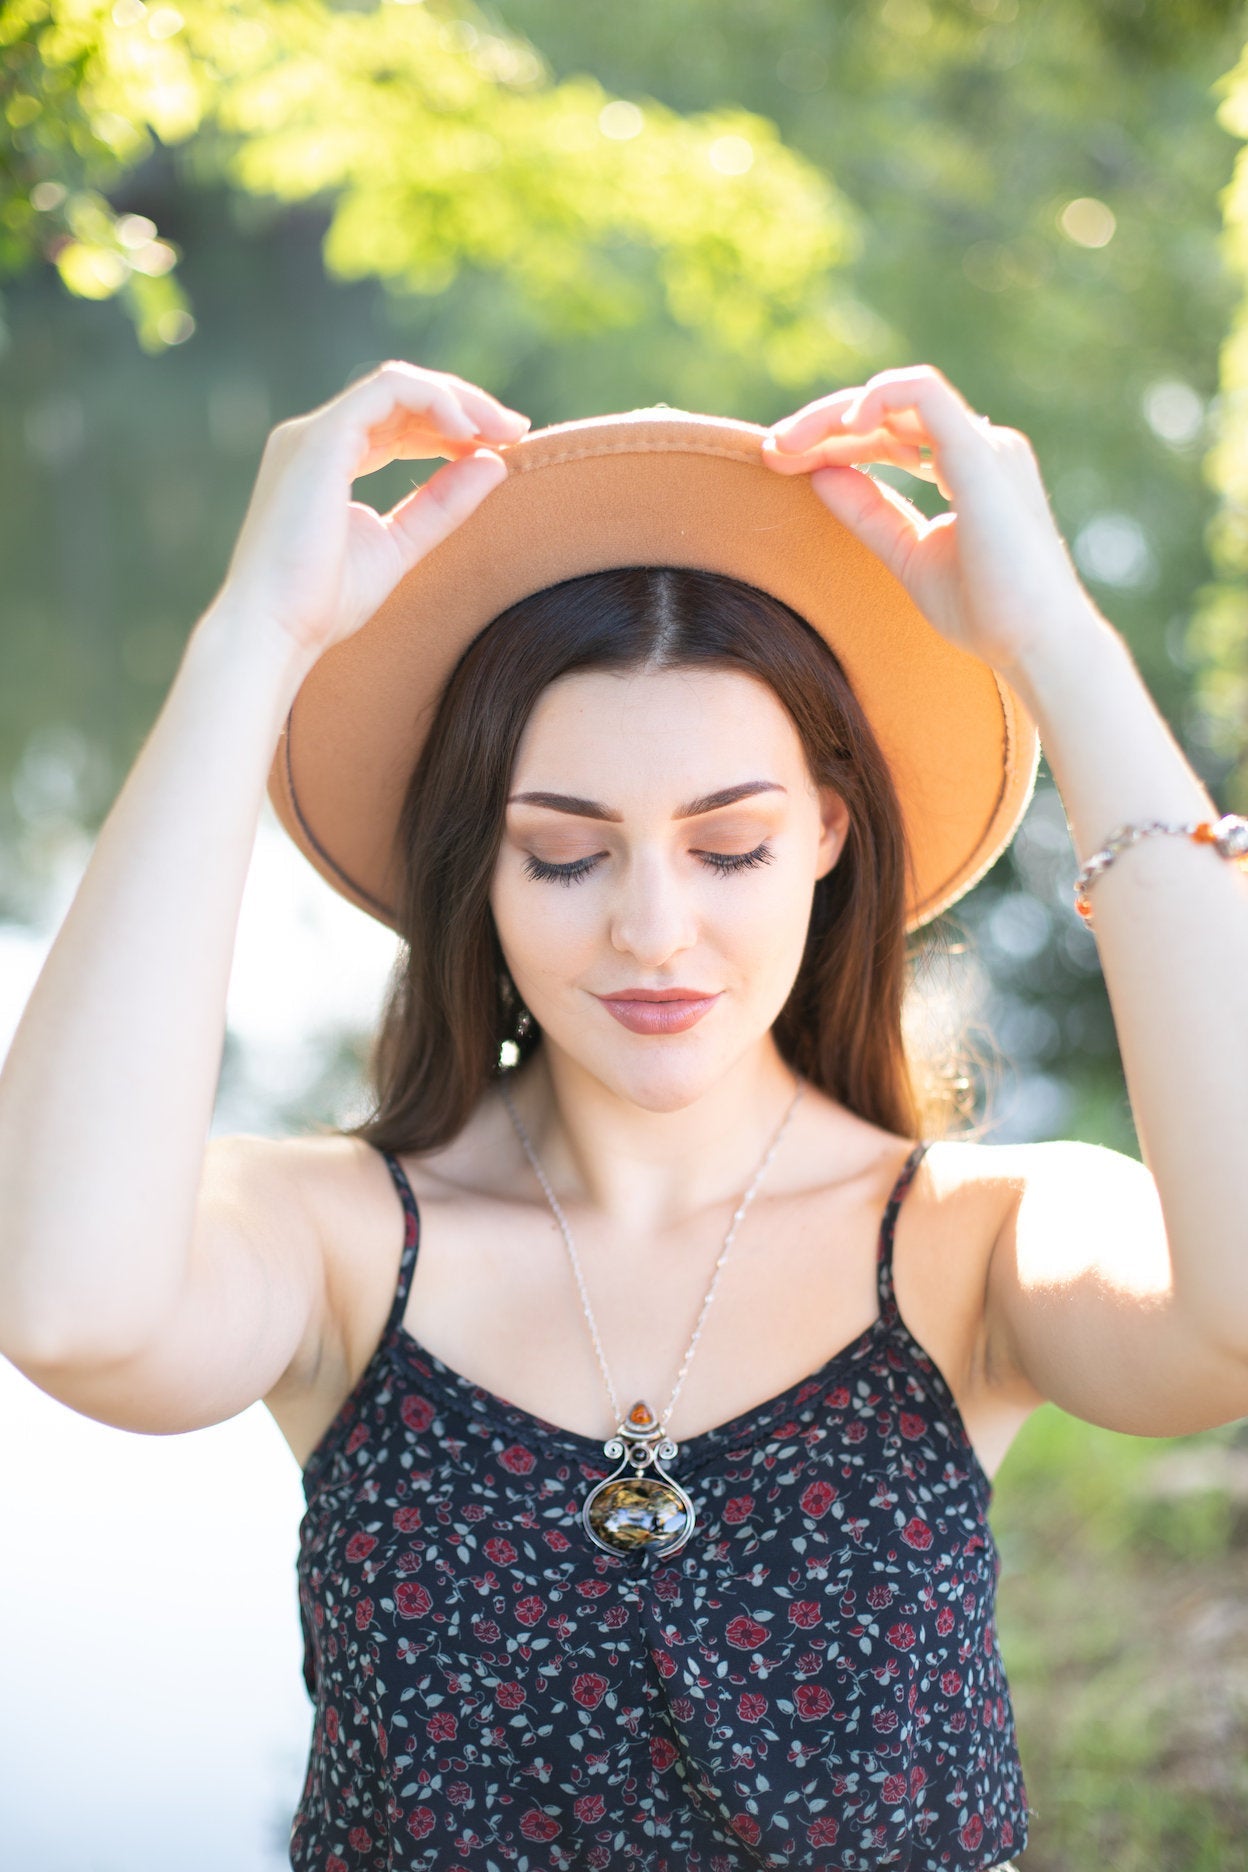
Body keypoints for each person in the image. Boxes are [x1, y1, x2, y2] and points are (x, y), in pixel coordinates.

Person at [2, 359, 1246, 1872]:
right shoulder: (335, 1238)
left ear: (829, 840)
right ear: (484, 873)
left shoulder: (979, 1242)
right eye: (565, 855)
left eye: (728, 847)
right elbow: (62, 1305)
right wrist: (248, 645)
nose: (654, 931)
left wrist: (1055, 641)